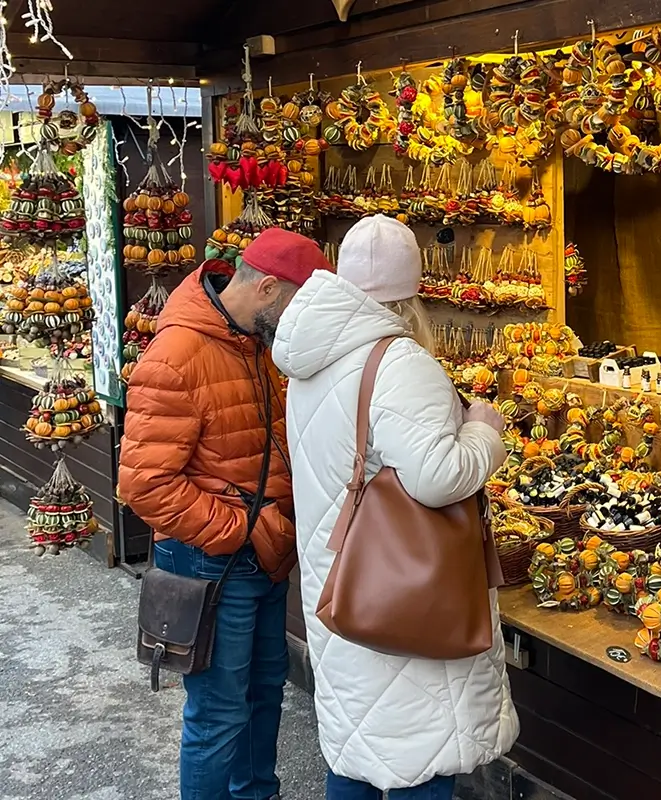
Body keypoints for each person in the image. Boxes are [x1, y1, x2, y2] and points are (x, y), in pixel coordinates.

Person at [271, 214, 517, 800]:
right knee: (419, 758)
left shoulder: (313, 357)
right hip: (408, 599)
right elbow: (437, 478)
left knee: (355, 746)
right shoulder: (400, 363)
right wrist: (484, 431)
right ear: (414, 289)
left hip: (344, 582)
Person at [119, 228, 332, 800]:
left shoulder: (256, 344)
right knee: (217, 713)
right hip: (211, 562)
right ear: (266, 288)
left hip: (261, 555)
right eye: (297, 305)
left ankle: (256, 793)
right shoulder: (177, 354)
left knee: (265, 690)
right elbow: (143, 484)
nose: (299, 321)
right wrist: (240, 529)